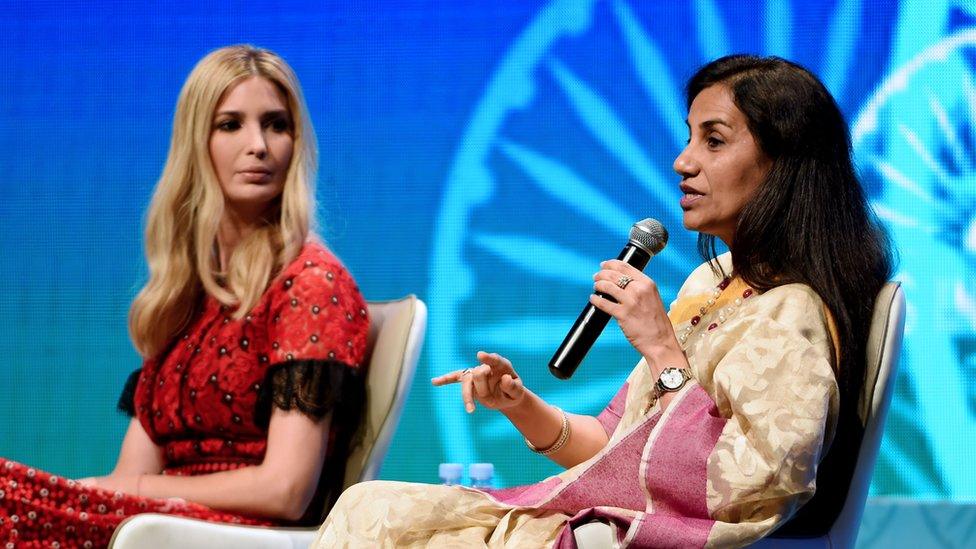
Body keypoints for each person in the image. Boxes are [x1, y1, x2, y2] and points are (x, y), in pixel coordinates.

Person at [314, 54, 893, 548]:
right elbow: (619, 448)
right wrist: (519, 404)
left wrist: (665, 354)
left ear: (783, 165)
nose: (683, 161)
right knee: (372, 506)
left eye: (713, 141)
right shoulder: (707, 287)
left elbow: (749, 488)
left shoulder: (790, 314)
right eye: (688, 136)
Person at [0, 45, 370, 547]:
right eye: (231, 124)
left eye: (277, 125)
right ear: (197, 143)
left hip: (234, 533)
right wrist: (123, 490)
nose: (259, 145)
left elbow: (286, 490)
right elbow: (130, 476)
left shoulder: (310, 284)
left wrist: (142, 490)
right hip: (157, 522)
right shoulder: (187, 297)